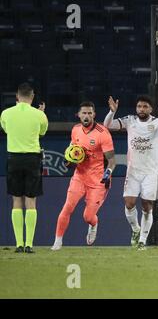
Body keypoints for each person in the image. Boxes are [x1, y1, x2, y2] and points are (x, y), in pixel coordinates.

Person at [103, 95, 158, 250]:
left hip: (151, 172)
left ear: (150, 109)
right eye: (139, 106)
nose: (142, 109)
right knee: (129, 203)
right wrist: (112, 112)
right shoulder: (130, 121)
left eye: (145, 107)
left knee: (146, 206)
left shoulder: (157, 122)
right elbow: (108, 125)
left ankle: (142, 241)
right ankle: (136, 230)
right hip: (133, 171)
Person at [51, 101, 116, 250]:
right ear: (78, 115)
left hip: (98, 180)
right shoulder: (75, 130)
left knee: (87, 217)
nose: (87, 116)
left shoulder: (102, 133)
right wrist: (69, 160)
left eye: (89, 113)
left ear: (94, 114)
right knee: (67, 207)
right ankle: (57, 242)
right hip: (79, 177)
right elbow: (72, 151)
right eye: (84, 113)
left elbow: (112, 161)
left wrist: (108, 173)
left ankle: (94, 224)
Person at [0, 83, 47, 253]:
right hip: (32, 159)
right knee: (31, 201)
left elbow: (6, 130)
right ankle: (29, 244)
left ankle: (19, 244)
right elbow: (42, 133)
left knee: (16, 200)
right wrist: (41, 114)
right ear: (32, 97)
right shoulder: (39, 115)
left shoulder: (5, 113)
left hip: (14, 158)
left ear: (17, 96)